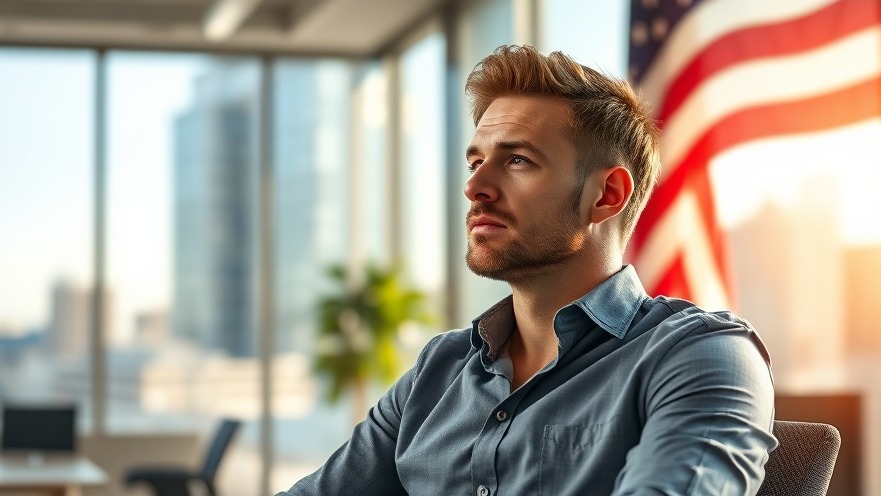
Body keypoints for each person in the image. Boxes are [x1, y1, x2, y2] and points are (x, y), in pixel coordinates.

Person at [278, 45, 776, 496]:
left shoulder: (700, 356)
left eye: (517, 160)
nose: (476, 187)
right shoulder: (438, 371)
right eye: (475, 161)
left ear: (607, 196)